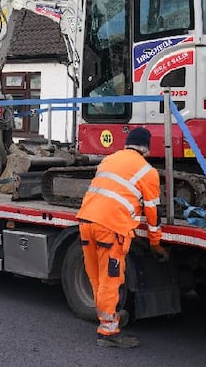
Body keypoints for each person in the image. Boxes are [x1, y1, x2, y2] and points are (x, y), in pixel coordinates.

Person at [75, 127, 169, 348]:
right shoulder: (148, 171)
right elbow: (153, 212)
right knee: (110, 281)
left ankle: (109, 317)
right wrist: (156, 243)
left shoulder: (109, 160)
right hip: (111, 228)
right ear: (146, 148)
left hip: (86, 223)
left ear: (127, 144)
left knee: (96, 278)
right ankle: (108, 333)